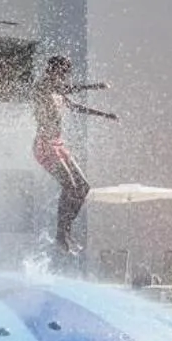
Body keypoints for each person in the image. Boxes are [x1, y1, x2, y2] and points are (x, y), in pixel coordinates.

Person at [33, 56, 117, 255]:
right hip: (44, 146)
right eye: (61, 73)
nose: (63, 77)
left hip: (59, 145)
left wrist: (105, 115)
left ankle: (67, 230)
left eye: (65, 74)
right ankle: (60, 235)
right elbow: (67, 89)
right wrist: (94, 86)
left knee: (83, 187)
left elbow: (75, 107)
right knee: (70, 185)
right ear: (51, 71)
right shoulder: (42, 87)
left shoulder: (59, 93)